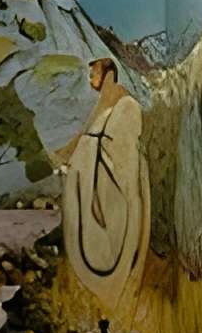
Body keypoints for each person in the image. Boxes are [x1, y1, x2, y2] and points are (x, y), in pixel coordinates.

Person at [56, 60, 151, 311]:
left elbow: (120, 147)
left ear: (107, 73)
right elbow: (88, 134)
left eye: (93, 73)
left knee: (112, 237)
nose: (89, 79)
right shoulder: (107, 104)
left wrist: (82, 150)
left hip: (116, 185)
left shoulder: (121, 100)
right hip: (99, 178)